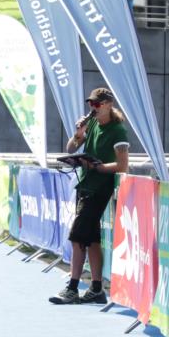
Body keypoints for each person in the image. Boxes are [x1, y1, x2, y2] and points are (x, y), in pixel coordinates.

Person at [50, 88, 129, 305]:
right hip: (85, 186)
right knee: (92, 240)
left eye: (96, 104)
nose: (92, 108)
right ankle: (96, 289)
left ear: (107, 104)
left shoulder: (118, 131)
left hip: (99, 190)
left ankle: (73, 287)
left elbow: (123, 166)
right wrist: (78, 135)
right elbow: (70, 147)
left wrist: (97, 167)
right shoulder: (92, 123)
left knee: (77, 237)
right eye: (90, 104)